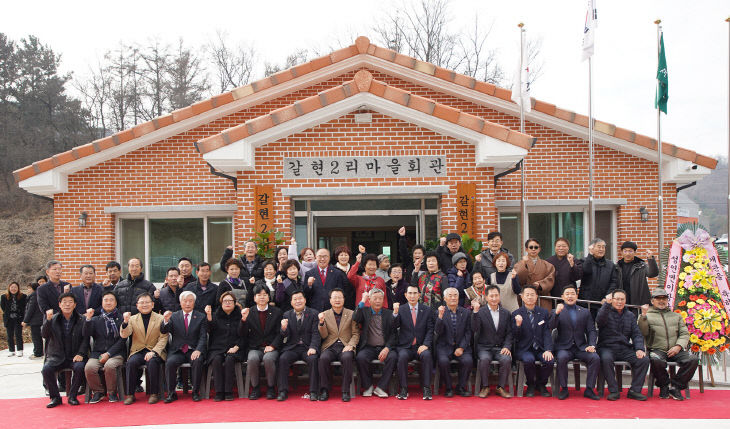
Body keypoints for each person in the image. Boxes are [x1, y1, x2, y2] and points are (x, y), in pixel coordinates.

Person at [638, 288, 698, 401]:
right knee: (655, 359)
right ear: (652, 301)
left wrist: (678, 346)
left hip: (676, 349)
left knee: (693, 359)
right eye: (658, 298)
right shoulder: (647, 316)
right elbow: (643, 332)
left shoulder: (676, 316)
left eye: (664, 298)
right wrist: (643, 316)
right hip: (657, 349)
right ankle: (664, 385)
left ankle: (676, 386)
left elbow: (684, 334)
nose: (661, 301)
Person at [596, 289, 649, 401]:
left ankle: (634, 390)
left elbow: (636, 334)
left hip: (624, 348)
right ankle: (614, 390)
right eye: (617, 299)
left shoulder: (630, 315)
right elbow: (599, 321)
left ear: (625, 300)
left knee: (643, 359)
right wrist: (606, 304)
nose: (619, 302)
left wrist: (639, 348)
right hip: (607, 347)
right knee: (606, 359)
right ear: (612, 300)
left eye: (622, 299)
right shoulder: (605, 311)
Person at [551, 285, 600, 400]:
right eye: (567, 294)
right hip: (564, 347)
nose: (570, 296)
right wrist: (556, 314)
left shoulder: (585, 312)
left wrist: (592, 345)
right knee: (562, 358)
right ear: (562, 297)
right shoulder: (556, 311)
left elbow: (591, 330)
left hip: (581, 347)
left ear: (576, 296)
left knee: (595, 358)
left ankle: (589, 389)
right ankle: (564, 388)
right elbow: (551, 326)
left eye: (572, 293)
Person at [41, 292, 87, 408]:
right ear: (59, 305)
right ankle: (55, 397)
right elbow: (44, 334)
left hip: (74, 355)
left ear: (75, 305)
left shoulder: (81, 319)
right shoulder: (53, 318)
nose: (67, 304)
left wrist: (81, 353)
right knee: (46, 369)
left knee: (80, 367)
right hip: (57, 355)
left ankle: (72, 396)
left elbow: (86, 338)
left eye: (70, 302)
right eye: (64, 302)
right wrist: (48, 320)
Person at [120, 293, 167, 405]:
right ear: (137, 305)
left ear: (152, 304)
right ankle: (130, 394)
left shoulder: (160, 318)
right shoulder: (132, 319)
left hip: (155, 350)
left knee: (152, 362)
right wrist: (125, 323)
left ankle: (154, 393)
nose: (144, 305)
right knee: (131, 363)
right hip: (138, 350)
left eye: (147, 302)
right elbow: (124, 335)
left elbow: (163, 338)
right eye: (142, 302)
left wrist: (154, 352)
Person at [161, 291, 208, 402]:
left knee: (197, 361)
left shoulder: (201, 317)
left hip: (193, 349)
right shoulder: (174, 316)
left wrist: (198, 350)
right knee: (170, 362)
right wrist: (165, 321)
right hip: (178, 350)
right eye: (185, 301)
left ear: (194, 302)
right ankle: (171, 393)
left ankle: (195, 392)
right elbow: (164, 331)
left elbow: (203, 337)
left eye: (190, 301)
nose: (187, 303)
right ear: (180, 302)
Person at [240, 285, 283, 400]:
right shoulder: (249, 312)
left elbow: (280, 333)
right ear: (254, 298)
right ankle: (255, 388)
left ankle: (270, 387)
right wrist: (243, 320)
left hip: (271, 346)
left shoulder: (277, 312)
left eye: (265, 295)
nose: (262, 297)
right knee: (252, 359)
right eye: (259, 295)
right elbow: (242, 334)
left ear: (269, 297)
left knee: (268, 359)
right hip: (255, 347)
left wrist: (273, 346)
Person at [276, 290, 320, 401]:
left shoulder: (314, 313)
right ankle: (282, 391)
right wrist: (283, 328)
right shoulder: (287, 314)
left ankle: (314, 391)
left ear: (305, 300)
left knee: (313, 359)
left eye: (300, 298)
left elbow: (316, 333)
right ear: (291, 302)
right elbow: (284, 336)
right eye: (295, 299)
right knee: (283, 359)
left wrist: (313, 347)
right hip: (293, 347)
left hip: (308, 347)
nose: (298, 301)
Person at [317, 288, 359, 402]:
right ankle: (325, 389)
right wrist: (321, 323)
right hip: (330, 346)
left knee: (347, 357)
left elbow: (356, 333)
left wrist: (351, 345)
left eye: (340, 297)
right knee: (323, 359)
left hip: (345, 345)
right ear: (330, 300)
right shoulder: (324, 314)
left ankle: (345, 391)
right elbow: (324, 335)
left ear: (344, 299)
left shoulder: (351, 313)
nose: (337, 300)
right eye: (334, 297)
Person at [83, 291, 125, 404]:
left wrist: (109, 354)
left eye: (111, 300)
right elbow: (86, 334)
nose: (108, 302)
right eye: (105, 300)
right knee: (89, 367)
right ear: (101, 303)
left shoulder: (121, 319)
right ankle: (98, 392)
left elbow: (123, 340)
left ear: (116, 303)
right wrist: (88, 319)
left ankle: (112, 392)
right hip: (98, 352)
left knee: (109, 365)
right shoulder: (96, 319)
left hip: (116, 353)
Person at [354, 288, 397, 398]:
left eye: (380, 299)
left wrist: (387, 348)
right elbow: (355, 317)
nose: (378, 301)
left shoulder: (389, 313)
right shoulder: (364, 311)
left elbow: (394, 334)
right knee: (360, 357)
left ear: (383, 300)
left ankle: (381, 387)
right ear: (370, 299)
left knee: (393, 357)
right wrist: (362, 300)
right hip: (368, 347)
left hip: (384, 347)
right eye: (375, 298)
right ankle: (368, 386)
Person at [393, 285, 434, 400]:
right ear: (405, 295)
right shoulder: (401, 309)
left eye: (415, 293)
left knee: (427, 355)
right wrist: (395, 314)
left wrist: (426, 344)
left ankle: (426, 388)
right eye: (410, 293)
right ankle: (404, 389)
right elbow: (394, 327)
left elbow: (430, 329)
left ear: (419, 295)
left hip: (421, 345)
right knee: (401, 357)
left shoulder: (427, 309)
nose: (412, 296)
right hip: (405, 346)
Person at [471, 285, 513, 398]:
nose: (494, 298)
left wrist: (507, 346)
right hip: (484, 347)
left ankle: (501, 387)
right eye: (491, 296)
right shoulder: (480, 312)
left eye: (496, 295)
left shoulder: (506, 313)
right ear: (486, 297)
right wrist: (475, 312)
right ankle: (485, 387)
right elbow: (474, 329)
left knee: (506, 359)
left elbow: (510, 333)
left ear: (499, 296)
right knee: (484, 359)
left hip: (500, 347)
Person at [513, 286, 554, 397]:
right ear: (522, 297)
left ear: (536, 297)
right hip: (524, 348)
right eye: (527, 294)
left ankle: (541, 384)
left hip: (540, 347)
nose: (530, 297)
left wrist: (548, 349)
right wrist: (518, 326)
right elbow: (515, 337)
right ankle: (530, 384)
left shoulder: (544, 312)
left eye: (532, 294)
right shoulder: (516, 313)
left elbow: (546, 333)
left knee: (549, 361)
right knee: (528, 360)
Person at [205, 291, 246, 401]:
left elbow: (244, 334)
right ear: (221, 303)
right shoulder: (215, 315)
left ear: (234, 303)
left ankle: (228, 391)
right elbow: (209, 330)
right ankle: (219, 392)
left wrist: (237, 346)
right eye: (225, 301)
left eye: (230, 301)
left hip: (236, 348)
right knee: (217, 359)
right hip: (217, 348)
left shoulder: (240, 316)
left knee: (229, 359)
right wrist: (209, 317)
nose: (227, 303)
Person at [434, 287, 473, 397]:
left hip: (461, 346)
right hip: (444, 346)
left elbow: (468, 332)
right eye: (450, 295)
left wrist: (461, 347)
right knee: (443, 361)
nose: (453, 298)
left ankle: (460, 387)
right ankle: (448, 387)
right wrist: (440, 317)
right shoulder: (439, 312)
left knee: (468, 361)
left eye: (455, 295)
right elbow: (437, 332)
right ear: (444, 298)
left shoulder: (465, 312)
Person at [578, 238, 618, 318]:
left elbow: (614, 282)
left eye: (603, 247)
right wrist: (590, 255)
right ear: (592, 248)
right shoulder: (584, 261)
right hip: (586, 302)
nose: (601, 249)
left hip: (603, 302)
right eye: (598, 247)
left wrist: (606, 297)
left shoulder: (610, 264)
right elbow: (585, 271)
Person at [513, 239, 554, 310]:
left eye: (536, 247)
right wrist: (524, 263)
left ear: (539, 249)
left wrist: (540, 285)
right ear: (526, 249)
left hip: (542, 298)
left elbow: (551, 279)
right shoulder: (519, 264)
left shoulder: (548, 265)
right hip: (526, 298)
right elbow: (519, 279)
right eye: (531, 247)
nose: (533, 249)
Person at [616, 241, 658, 306]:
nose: (627, 253)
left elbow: (653, 274)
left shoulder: (641, 266)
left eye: (630, 251)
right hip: (622, 302)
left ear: (635, 252)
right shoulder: (617, 267)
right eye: (625, 251)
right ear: (621, 252)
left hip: (639, 301)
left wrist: (650, 259)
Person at [23, 279, 46, 359]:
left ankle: (38, 353)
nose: (28, 290)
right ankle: (40, 352)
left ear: (33, 288)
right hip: (40, 319)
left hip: (36, 320)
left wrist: (25, 320)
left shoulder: (33, 296)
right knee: (39, 337)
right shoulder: (39, 294)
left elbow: (30, 309)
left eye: (29, 288)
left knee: (36, 337)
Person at [2, 282, 26, 357]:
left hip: (18, 317)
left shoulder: (23, 296)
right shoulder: (4, 296)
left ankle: (20, 350)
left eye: (15, 287)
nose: (13, 289)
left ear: (18, 288)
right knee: (9, 335)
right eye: (12, 287)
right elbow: (3, 307)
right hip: (9, 318)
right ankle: (11, 350)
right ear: (9, 288)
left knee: (18, 334)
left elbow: (24, 307)